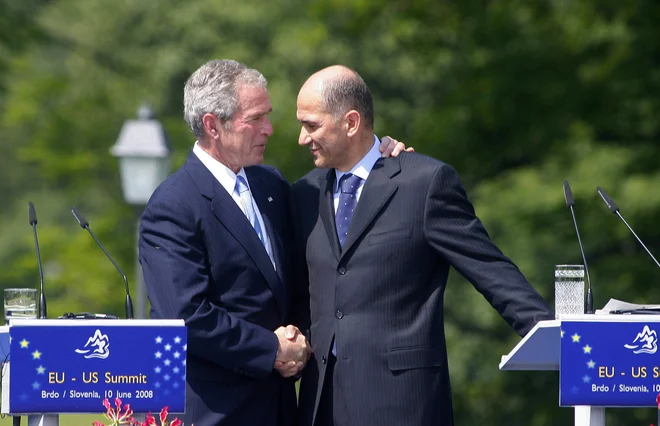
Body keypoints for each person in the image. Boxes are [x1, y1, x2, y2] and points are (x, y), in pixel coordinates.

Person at [139, 59, 406, 426]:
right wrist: (272, 349)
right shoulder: (173, 205)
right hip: (216, 413)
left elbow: (303, 278)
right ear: (213, 125)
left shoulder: (272, 186)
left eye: (268, 115)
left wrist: (382, 156)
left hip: (281, 409)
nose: (269, 128)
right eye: (256, 118)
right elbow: (186, 316)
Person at [290, 65, 554, 426]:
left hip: (403, 403)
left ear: (351, 123)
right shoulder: (303, 194)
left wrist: (560, 339)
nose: (302, 139)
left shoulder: (423, 183)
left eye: (311, 125)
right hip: (321, 405)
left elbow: (490, 269)